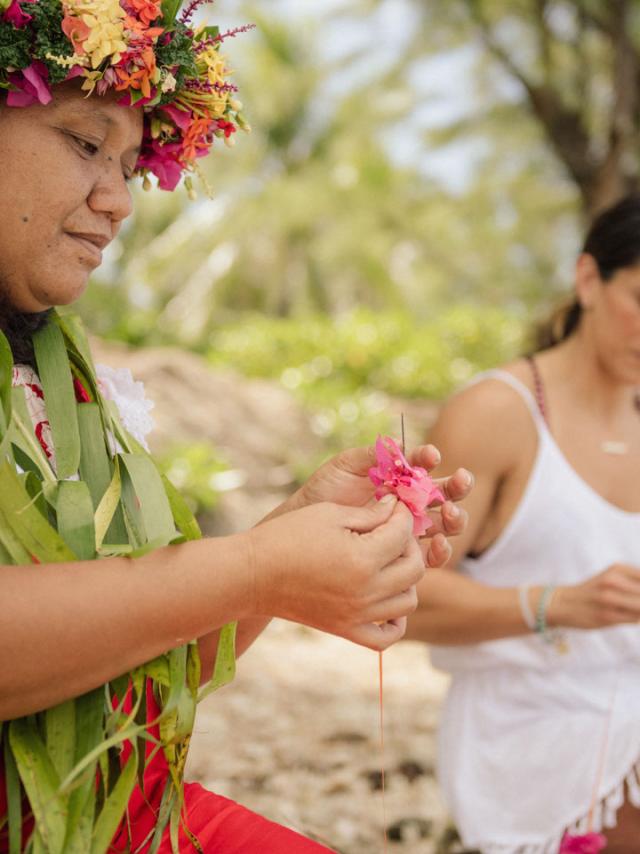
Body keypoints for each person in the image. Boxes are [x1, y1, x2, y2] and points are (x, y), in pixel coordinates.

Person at [0, 3, 472, 852]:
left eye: (132, 163)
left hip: (113, 810)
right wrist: (256, 571)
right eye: (83, 143)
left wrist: (292, 537)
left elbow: (134, 676)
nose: (116, 201)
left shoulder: (64, 381)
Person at [405, 194, 640, 854]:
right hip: (531, 726)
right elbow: (402, 596)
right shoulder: (496, 414)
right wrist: (558, 604)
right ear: (588, 279)